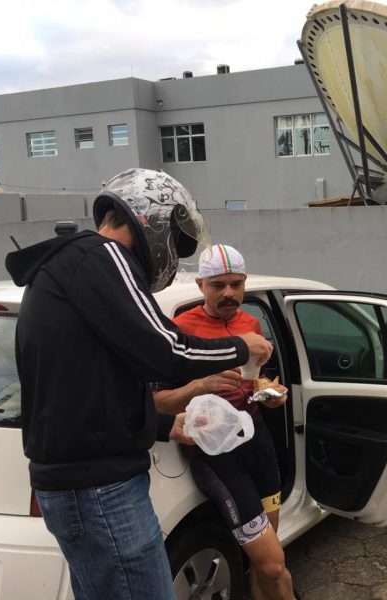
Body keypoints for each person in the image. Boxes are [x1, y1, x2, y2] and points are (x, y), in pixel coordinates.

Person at [5, 168, 273, 600]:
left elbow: (93, 386)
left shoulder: (73, 268)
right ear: (153, 220)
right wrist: (242, 347)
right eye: (176, 238)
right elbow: (167, 350)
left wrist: (165, 426)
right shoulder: (102, 256)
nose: (174, 252)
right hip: (100, 489)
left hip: (79, 485)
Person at [154, 244, 296, 600]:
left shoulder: (249, 324)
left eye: (235, 284)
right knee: (275, 565)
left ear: (244, 283)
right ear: (201, 285)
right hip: (217, 454)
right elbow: (156, 403)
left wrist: (272, 393)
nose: (229, 293)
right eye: (218, 285)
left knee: (264, 562)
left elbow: (253, 382)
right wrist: (203, 384)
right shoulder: (180, 331)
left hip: (257, 441)